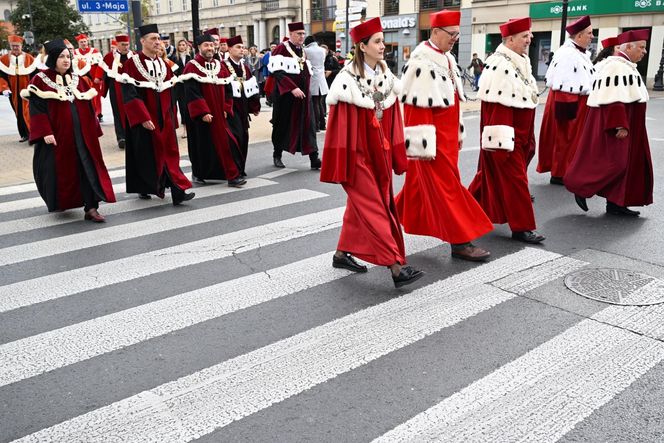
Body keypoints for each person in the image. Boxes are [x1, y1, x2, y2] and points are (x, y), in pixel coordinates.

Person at [321, 17, 424, 288]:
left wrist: (395, 154)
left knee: (362, 207)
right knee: (375, 208)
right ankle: (395, 266)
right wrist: (346, 163)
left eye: (382, 41)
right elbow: (341, 129)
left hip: (380, 156)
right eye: (377, 41)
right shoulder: (346, 81)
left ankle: (342, 253)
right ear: (362, 46)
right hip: (356, 158)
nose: (382, 46)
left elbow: (393, 122)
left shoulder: (387, 77)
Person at [395, 10, 493, 262]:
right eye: (451, 34)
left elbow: (452, 103)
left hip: (447, 140)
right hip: (432, 143)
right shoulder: (421, 63)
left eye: (457, 34)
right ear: (435, 32)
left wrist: (457, 130)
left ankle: (379, 222)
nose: (455, 39)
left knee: (416, 191)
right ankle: (460, 242)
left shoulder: (445, 58)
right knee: (448, 190)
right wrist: (422, 147)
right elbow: (416, 111)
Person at [468, 17, 545, 244]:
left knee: (487, 179)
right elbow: (498, 109)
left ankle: (465, 210)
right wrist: (502, 145)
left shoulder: (519, 59)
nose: (530, 39)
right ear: (510, 39)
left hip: (520, 136)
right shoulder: (500, 65)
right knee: (516, 182)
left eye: (529, 35)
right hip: (506, 139)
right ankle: (522, 227)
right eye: (525, 36)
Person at [22, 39, 116, 221]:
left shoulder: (78, 79)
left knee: (87, 168)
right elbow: (36, 109)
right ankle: (61, 201)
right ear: (52, 59)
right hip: (58, 136)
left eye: (68, 56)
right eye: (61, 57)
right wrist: (45, 132)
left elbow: (88, 106)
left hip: (82, 136)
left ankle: (91, 208)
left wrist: (94, 129)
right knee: (59, 171)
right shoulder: (39, 80)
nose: (66, 60)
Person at [565, 29, 653, 217]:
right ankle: (580, 187)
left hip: (629, 123)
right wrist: (619, 124)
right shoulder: (617, 66)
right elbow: (614, 98)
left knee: (626, 164)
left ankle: (616, 203)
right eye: (642, 47)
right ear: (629, 47)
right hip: (620, 125)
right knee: (615, 163)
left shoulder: (624, 65)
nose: (644, 52)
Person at [119, 23, 195, 205]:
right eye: (153, 39)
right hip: (146, 117)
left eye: (158, 38)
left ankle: (178, 190)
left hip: (164, 118)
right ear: (142, 41)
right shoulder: (131, 64)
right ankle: (144, 187)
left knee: (169, 152)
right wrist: (142, 117)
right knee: (146, 154)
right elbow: (129, 94)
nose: (157, 42)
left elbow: (171, 91)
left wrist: (171, 115)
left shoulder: (163, 63)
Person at [181, 34, 246, 187]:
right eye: (206, 45)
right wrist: (202, 112)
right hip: (202, 115)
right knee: (201, 145)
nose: (210, 48)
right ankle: (198, 173)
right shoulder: (192, 66)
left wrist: (226, 107)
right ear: (199, 47)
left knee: (226, 142)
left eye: (211, 45)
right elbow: (191, 91)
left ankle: (232, 175)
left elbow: (228, 88)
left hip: (220, 114)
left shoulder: (220, 65)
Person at [537, 15, 595, 185]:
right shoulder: (568, 54)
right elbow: (564, 84)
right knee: (564, 139)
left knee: (571, 141)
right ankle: (561, 172)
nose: (592, 36)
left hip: (576, 104)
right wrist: (569, 114)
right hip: (569, 104)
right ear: (578, 36)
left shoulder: (579, 53)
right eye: (589, 33)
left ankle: (567, 170)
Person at [268, 21, 321, 170]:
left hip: (304, 97)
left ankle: (314, 158)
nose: (302, 36)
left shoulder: (302, 50)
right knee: (282, 125)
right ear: (290, 34)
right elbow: (277, 72)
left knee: (309, 126)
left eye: (303, 34)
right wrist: (292, 88)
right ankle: (277, 154)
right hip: (286, 97)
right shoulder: (280, 49)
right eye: (299, 34)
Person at [224, 35, 261, 178]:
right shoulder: (222, 66)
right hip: (231, 109)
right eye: (238, 47)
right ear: (229, 49)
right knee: (234, 139)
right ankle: (234, 170)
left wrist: (255, 106)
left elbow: (253, 86)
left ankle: (241, 168)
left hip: (243, 109)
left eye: (243, 47)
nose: (242, 50)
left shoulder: (245, 67)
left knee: (244, 138)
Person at [96, 34, 133, 150]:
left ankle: (133, 136)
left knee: (132, 112)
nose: (126, 47)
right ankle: (121, 137)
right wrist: (102, 85)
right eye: (123, 45)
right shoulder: (109, 57)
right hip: (116, 88)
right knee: (118, 113)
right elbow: (103, 72)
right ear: (117, 45)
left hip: (132, 89)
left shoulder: (134, 56)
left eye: (127, 45)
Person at [0, 35, 38, 142]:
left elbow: (35, 75)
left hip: (26, 90)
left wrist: (33, 88)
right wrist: (4, 88)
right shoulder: (3, 59)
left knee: (27, 111)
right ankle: (24, 134)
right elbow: (1, 76)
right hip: (12, 91)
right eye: (13, 46)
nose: (15, 48)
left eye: (17, 46)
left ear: (21, 46)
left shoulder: (29, 58)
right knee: (18, 112)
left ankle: (32, 134)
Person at [73, 34, 104, 121]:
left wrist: (98, 77)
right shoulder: (75, 53)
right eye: (81, 42)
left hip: (94, 78)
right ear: (78, 43)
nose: (83, 43)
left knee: (96, 96)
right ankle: (87, 113)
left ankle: (98, 113)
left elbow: (100, 65)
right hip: (81, 78)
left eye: (84, 41)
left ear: (87, 42)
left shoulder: (94, 51)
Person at [304, 36, 329, 131]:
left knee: (314, 103)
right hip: (321, 78)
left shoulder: (306, 50)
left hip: (312, 78)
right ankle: (323, 124)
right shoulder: (322, 50)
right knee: (319, 103)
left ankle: (316, 126)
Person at [173, 38, 192, 138]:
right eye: (180, 45)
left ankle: (191, 128)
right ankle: (185, 129)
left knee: (191, 106)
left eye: (183, 45)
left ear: (186, 46)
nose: (182, 47)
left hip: (190, 85)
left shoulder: (191, 57)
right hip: (180, 86)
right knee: (183, 107)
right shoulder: (174, 57)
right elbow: (172, 71)